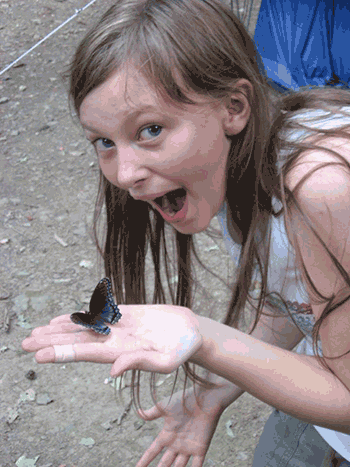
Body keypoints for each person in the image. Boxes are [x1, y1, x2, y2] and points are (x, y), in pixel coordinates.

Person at [22, 0, 350, 466]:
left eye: (150, 129)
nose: (125, 173)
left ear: (233, 107)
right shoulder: (231, 173)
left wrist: (205, 338)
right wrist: (214, 392)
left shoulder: (322, 187)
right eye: (104, 142)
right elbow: (294, 299)